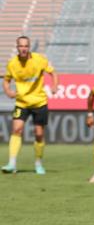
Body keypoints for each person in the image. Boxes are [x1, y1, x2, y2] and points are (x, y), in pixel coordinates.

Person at [2, 36, 58, 175]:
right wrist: (8, 91)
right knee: (17, 129)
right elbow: (6, 79)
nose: (23, 48)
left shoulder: (39, 59)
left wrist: (55, 85)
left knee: (39, 134)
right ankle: (12, 163)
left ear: (29, 47)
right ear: (17, 47)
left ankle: (38, 163)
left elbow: (53, 72)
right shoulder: (12, 63)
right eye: (21, 46)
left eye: (26, 46)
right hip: (22, 102)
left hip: (39, 102)